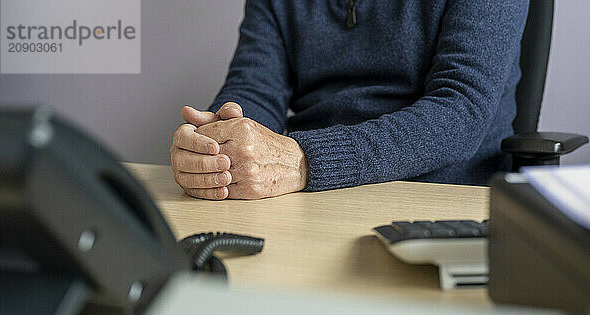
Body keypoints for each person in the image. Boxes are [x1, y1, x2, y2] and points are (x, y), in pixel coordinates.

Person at [170, 0, 529, 200]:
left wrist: (304, 161)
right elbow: (254, 88)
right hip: (312, 197)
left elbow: (461, 111)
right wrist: (220, 144)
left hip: (439, 196)